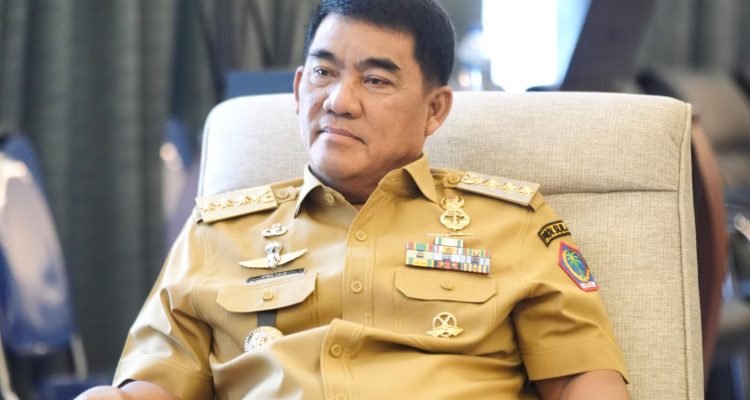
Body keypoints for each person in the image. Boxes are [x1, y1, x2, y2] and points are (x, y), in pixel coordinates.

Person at [78, 0, 629, 398]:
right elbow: (153, 385)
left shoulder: (511, 224)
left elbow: (582, 379)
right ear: (298, 89)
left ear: (435, 109)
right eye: (324, 72)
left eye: (376, 80)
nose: (339, 101)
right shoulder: (217, 234)